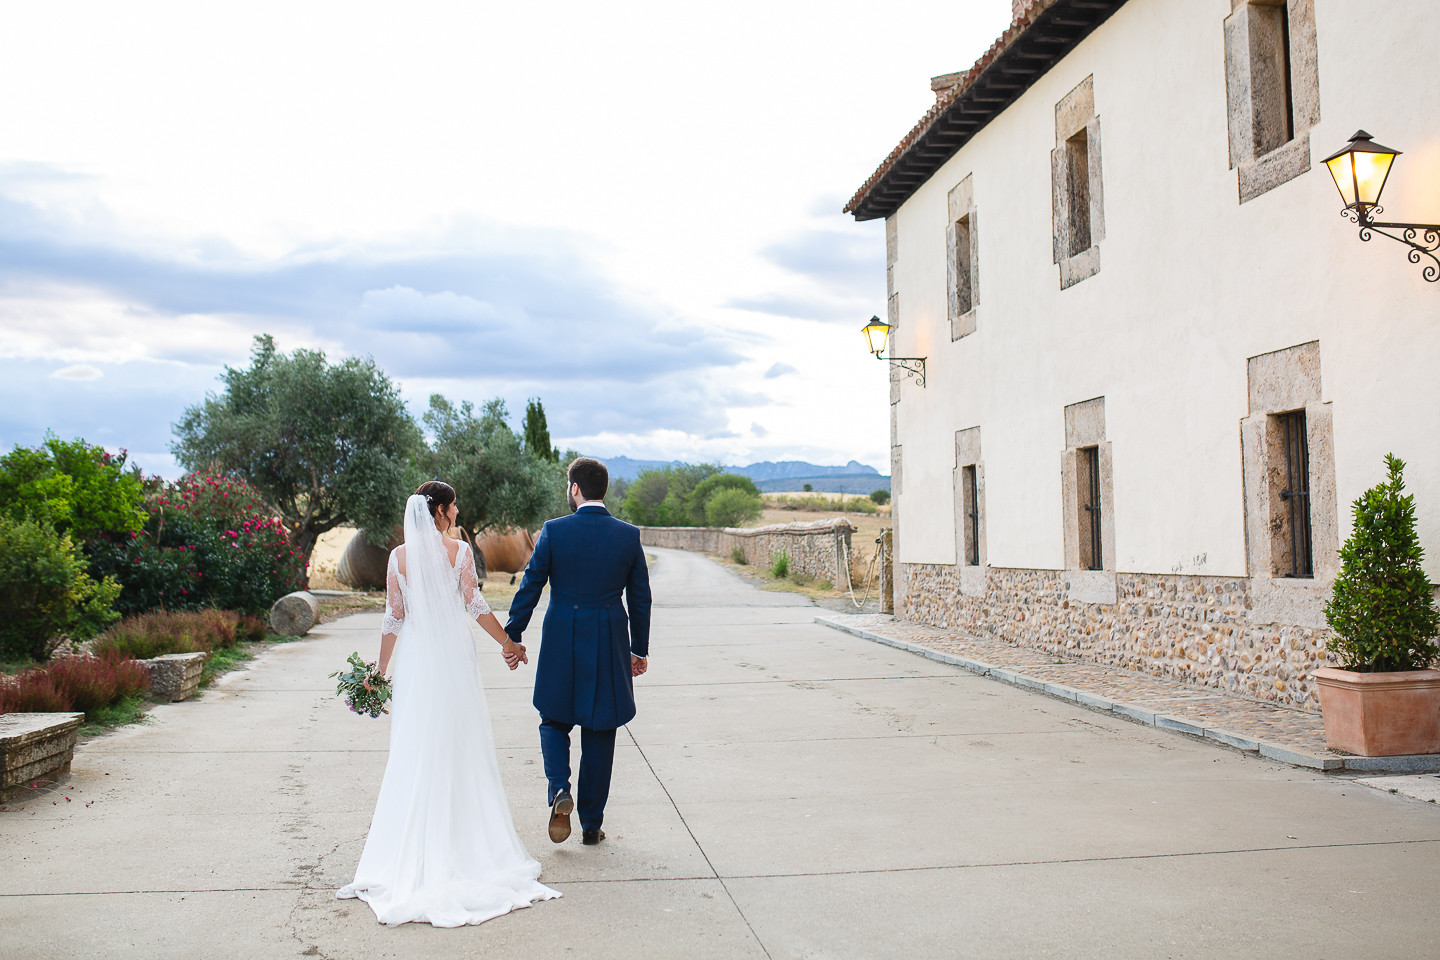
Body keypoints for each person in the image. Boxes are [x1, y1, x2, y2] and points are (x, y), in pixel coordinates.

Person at [337, 481, 560, 927]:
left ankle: (412, 850)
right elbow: (475, 606)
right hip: (453, 658)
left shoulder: (397, 558)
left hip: (419, 659)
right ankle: (464, 844)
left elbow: (394, 618)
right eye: (453, 505)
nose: (457, 511)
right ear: (439, 510)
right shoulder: (458, 553)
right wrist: (509, 644)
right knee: (459, 744)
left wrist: (380, 671)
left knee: (418, 746)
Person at [505, 457, 652, 846]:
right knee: (601, 729)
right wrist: (639, 649)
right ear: (602, 489)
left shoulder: (553, 531)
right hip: (608, 637)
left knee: (553, 719)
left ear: (574, 488)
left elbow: (531, 585)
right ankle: (591, 825)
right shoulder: (628, 535)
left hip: (560, 637)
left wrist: (513, 633)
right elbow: (640, 599)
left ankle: (558, 789)